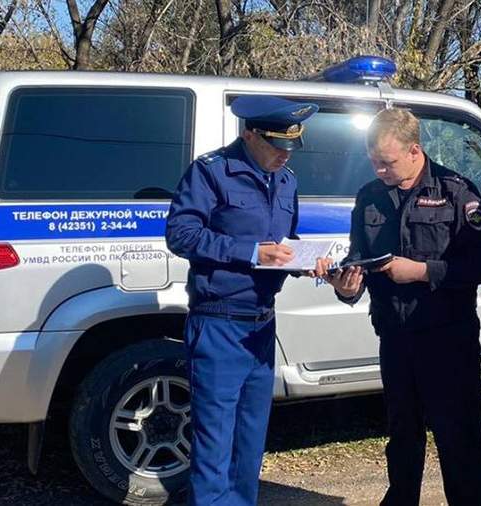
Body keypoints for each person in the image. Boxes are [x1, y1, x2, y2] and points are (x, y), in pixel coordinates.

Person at [321, 108, 481, 505]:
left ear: (414, 150)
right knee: (402, 440)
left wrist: (420, 271)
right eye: (373, 161)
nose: (379, 169)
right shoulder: (369, 196)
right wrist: (347, 287)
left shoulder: (456, 192)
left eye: (387, 162)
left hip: (448, 338)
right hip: (395, 337)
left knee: (460, 440)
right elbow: (359, 258)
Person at [165, 95, 318, 506]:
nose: (285, 155)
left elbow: (285, 244)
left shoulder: (286, 180)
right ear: (249, 134)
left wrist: (314, 263)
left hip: (261, 327)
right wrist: (251, 252)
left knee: (249, 447)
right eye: (276, 145)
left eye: (291, 146)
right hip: (219, 323)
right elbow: (181, 234)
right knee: (214, 446)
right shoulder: (211, 172)